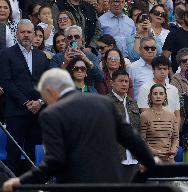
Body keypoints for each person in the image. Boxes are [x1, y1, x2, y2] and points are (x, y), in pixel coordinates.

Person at [2, 68, 156, 192]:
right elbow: (132, 139)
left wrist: (22, 181)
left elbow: (55, 161)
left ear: (50, 91)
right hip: (111, 184)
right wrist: (149, 162)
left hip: (75, 186)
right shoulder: (104, 103)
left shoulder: (51, 114)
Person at [0, 19, 49, 176]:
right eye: (23, 32)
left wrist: (40, 102)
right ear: (17, 34)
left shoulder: (42, 56)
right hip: (15, 112)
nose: (26, 35)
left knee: (32, 154)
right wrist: (26, 102)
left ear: (34, 34)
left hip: (37, 112)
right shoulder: (6, 54)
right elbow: (6, 82)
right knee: (13, 154)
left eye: (29, 32)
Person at [107, 69, 140, 182]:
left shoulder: (133, 102)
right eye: (121, 81)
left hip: (134, 157)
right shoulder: (105, 102)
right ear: (112, 83)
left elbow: (138, 131)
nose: (124, 84)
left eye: (126, 81)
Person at [137, 55, 180, 127]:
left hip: (171, 132)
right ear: (153, 70)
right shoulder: (145, 88)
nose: (162, 72)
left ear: (168, 70)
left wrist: (174, 132)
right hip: (153, 132)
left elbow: (177, 115)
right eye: (159, 69)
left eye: (165, 69)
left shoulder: (174, 90)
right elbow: (145, 114)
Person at [141, 84, 179, 164]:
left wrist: (173, 151)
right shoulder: (144, 115)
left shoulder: (171, 115)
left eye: (161, 94)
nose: (158, 96)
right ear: (150, 96)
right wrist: (154, 152)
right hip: (151, 159)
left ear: (165, 96)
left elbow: (176, 138)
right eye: (155, 94)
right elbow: (142, 139)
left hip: (169, 159)